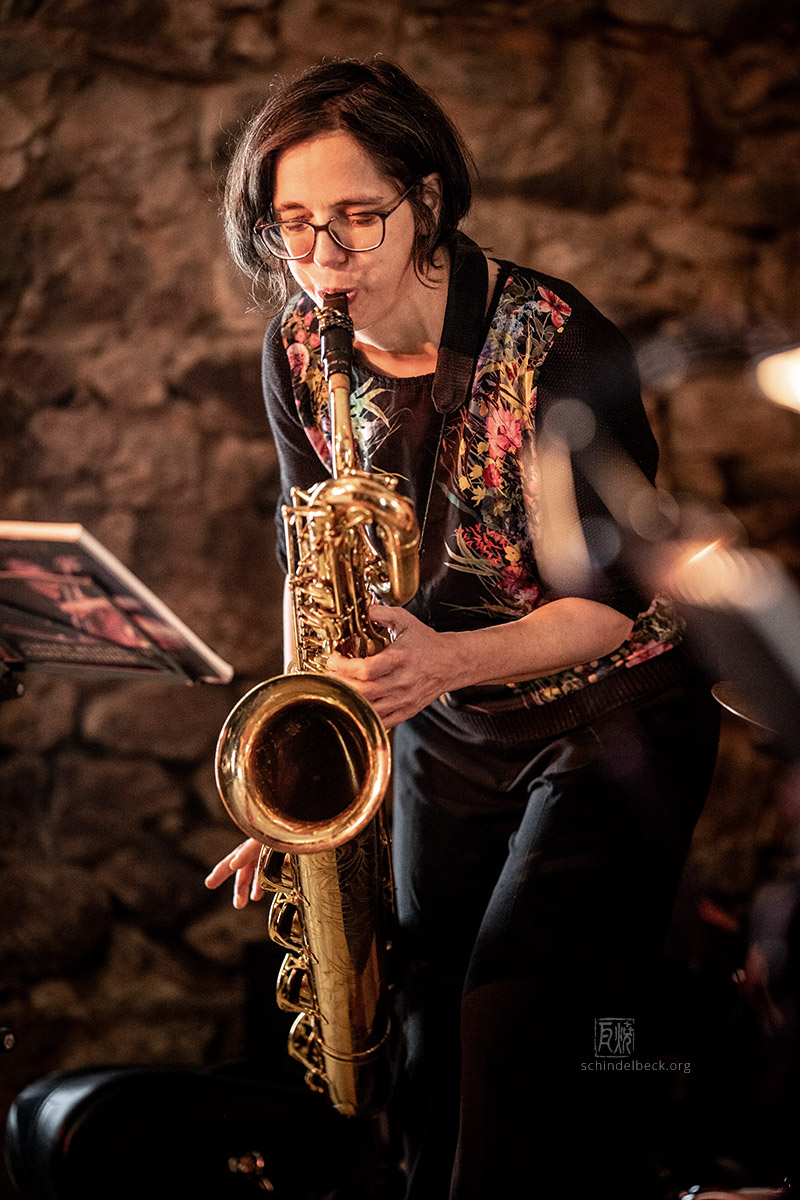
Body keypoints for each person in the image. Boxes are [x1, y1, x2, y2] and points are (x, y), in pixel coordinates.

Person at [205, 58, 720, 1200]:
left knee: (510, 1035)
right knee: (427, 1043)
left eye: (359, 218)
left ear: (427, 199)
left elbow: (610, 603)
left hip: (610, 720)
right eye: (294, 225)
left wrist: (442, 661)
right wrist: (298, 781)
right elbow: (312, 567)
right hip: (448, 727)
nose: (325, 259)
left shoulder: (561, 343)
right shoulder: (296, 351)